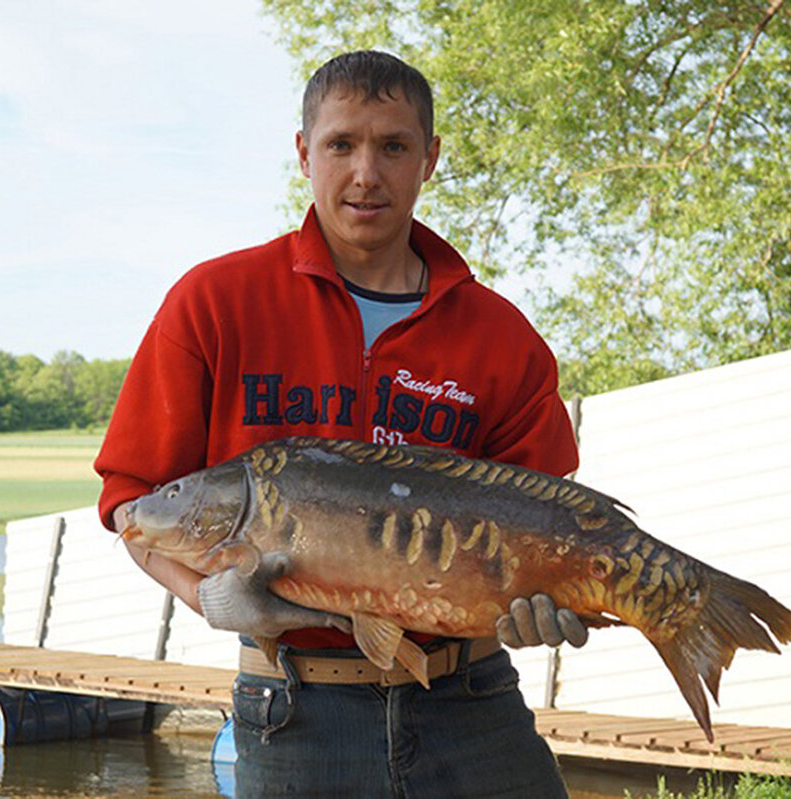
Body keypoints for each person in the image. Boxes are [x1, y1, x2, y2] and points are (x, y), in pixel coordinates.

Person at [95, 50, 588, 798]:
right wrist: (207, 597)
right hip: (295, 710)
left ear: (430, 158)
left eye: (393, 145)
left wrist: (550, 599)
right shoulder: (213, 303)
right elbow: (132, 505)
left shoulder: (501, 335)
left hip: (473, 701)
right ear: (304, 153)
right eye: (341, 145)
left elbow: (547, 514)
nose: (367, 172)